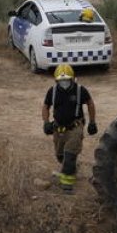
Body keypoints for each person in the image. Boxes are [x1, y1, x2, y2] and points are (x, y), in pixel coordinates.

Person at [41, 64, 97, 194]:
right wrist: (46, 122)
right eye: (61, 80)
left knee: (70, 154)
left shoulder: (80, 90)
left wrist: (92, 122)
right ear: (56, 80)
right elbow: (45, 106)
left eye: (66, 80)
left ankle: (67, 184)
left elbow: (90, 104)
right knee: (60, 156)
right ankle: (70, 168)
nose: (64, 83)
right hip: (58, 129)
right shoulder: (52, 91)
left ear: (72, 79)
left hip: (75, 128)